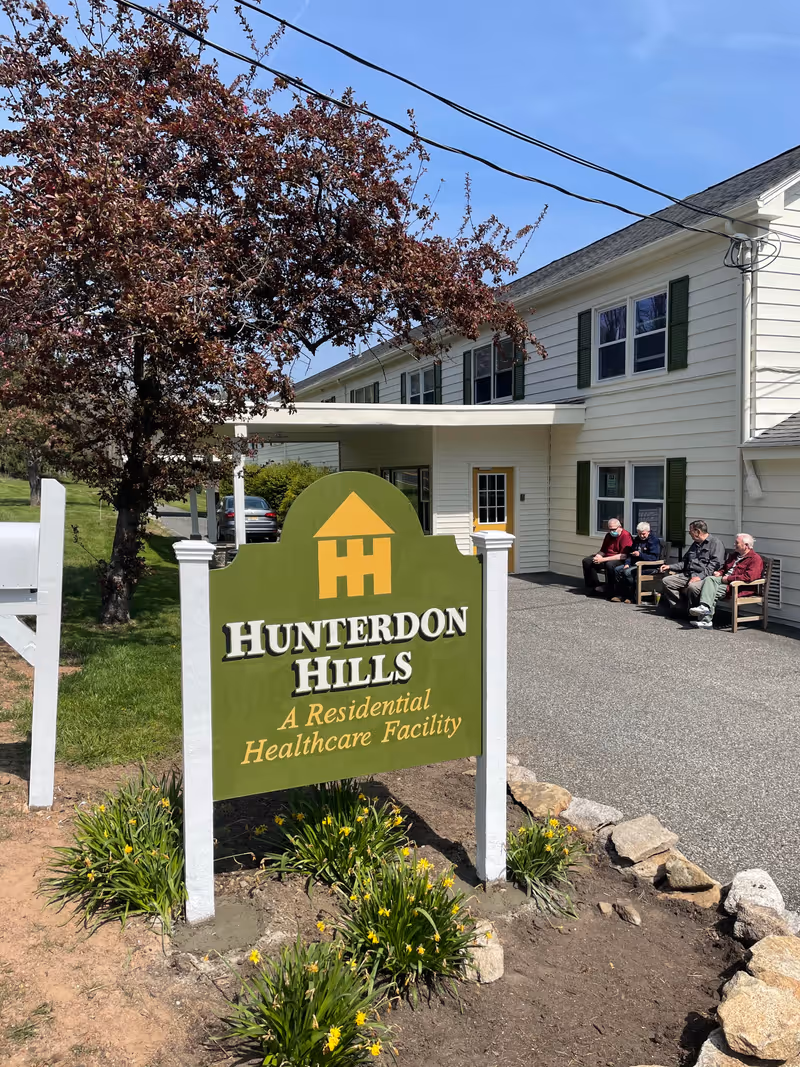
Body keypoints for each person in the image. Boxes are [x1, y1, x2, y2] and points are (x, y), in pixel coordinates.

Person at [689, 534, 763, 629]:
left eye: (737, 543)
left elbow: (749, 577)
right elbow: (725, 568)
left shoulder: (755, 559)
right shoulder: (734, 555)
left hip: (737, 586)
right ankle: (705, 612)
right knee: (709, 580)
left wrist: (729, 579)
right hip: (724, 581)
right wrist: (720, 573)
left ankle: (705, 620)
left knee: (711, 590)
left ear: (746, 545)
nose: (734, 544)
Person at [658, 520, 725, 615]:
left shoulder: (715, 543)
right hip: (688, 574)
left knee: (693, 587)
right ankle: (681, 609)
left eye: (690, 532)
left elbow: (714, 565)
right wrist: (670, 566)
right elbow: (685, 562)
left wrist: (699, 577)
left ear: (697, 532)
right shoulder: (695, 544)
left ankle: (694, 612)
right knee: (667, 581)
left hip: (704, 577)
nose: (689, 534)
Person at [610, 521, 661, 603]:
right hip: (635, 564)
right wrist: (627, 563)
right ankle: (620, 595)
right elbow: (630, 554)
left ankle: (631, 596)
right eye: (639, 533)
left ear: (648, 532)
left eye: (643, 534)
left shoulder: (654, 541)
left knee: (628, 572)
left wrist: (640, 555)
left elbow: (654, 558)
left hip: (649, 566)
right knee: (617, 570)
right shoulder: (637, 540)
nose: (641, 536)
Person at [582, 518, 633, 596]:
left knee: (610, 564)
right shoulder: (608, 536)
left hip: (619, 559)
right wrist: (598, 556)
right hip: (606, 558)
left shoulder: (625, 536)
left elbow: (624, 555)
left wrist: (603, 559)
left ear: (620, 527)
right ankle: (594, 587)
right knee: (587, 561)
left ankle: (610, 589)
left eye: (614, 529)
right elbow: (603, 550)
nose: (612, 532)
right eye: (610, 529)